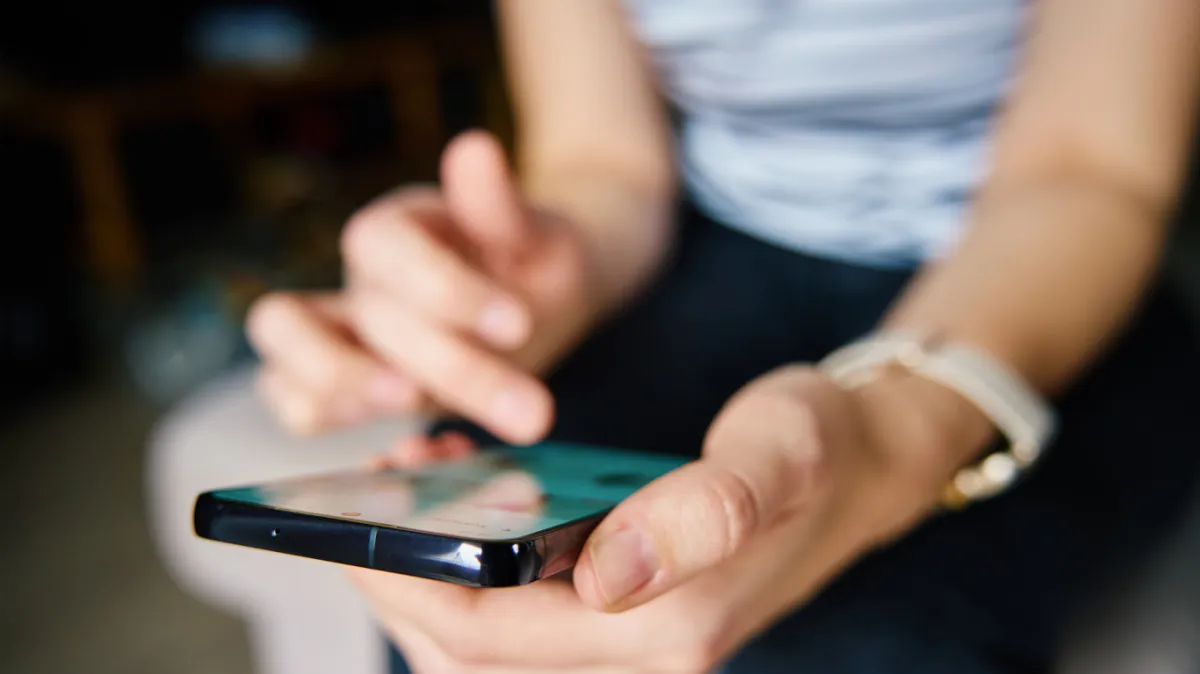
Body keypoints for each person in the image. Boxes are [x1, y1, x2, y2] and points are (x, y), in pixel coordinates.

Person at [244, 0, 1200, 671]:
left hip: (1045, 272)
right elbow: (601, 158)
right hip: (713, 244)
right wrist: (513, 282)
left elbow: (1089, 173)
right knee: (486, 600)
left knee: (872, 643)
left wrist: (894, 436)